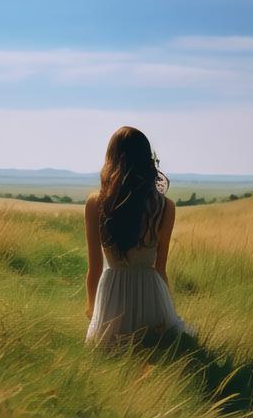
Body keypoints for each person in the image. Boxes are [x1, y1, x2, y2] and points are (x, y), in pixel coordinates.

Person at [84, 126, 197, 350]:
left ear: (112, 158)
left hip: (112, 296)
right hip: (151, 294)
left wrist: (92, 309)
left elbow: (95, 268)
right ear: (147, 159)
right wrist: (168, 310)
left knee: (112, 353)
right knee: (157, 351)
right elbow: (160, 267)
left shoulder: (96, 203)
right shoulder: (165, 206)